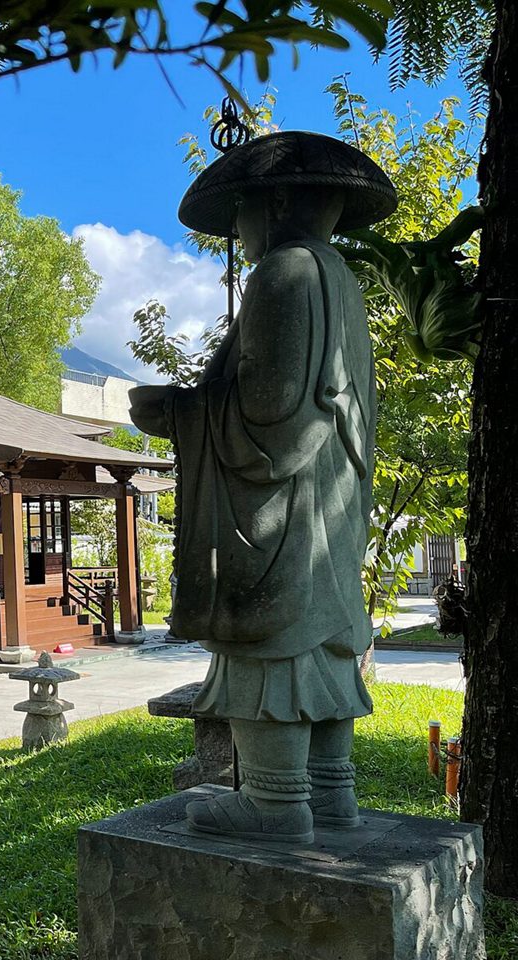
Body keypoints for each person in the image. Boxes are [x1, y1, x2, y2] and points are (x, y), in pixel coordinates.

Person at [128, 131, 396, 843]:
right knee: (320, 647)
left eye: (244, 210)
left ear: (276, 202)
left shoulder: (285, 272)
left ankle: (276, 803)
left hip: (282, 504)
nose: (240, 230)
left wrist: (179, 413)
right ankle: (332, 794)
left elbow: (270, 407)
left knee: (269, 647)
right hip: (331, 498)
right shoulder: (339, 276)